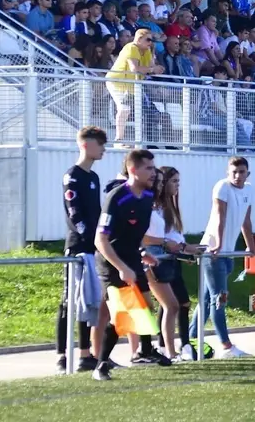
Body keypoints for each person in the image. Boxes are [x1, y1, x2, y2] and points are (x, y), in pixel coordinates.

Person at [93, 149, 171, 382]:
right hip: (111, 262)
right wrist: (120, 267)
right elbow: (101, 239)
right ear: (133, 170)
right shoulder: (117, 197)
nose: (154, 173)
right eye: (148, 168)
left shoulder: (147, 197)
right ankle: (101, 365)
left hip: (132, 259)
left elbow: (134, 233)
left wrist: (142, 253)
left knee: (145, 306)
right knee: (123, 315)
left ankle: (145, 351)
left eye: (154, 168)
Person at [189, 156, 255, 358]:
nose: (237, 176)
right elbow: (220, 216)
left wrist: (250, 246)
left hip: (228, 253)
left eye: (242, 172)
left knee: (207, 300)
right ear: (228, 173)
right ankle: (226, 346)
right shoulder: (222, 187)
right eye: (234, 172)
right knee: (220, 298)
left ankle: (190, 341)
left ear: (248, 173)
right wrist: (217, 244)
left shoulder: (249, 190)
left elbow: (246, 220)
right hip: (214, 252)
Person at [55, 126, 110, 374]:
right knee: (69, 301)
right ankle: (61, 355)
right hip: (77, 248)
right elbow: (74, 213)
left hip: (93, 248)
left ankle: (85, 354)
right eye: (100, 144)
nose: (103, 149)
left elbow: (96, 212)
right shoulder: (72, 176)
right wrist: (89, 237)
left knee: (88, 301)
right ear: (86, 144)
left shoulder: (94, 178)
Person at [146, 166, 210, 361]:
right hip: (159, 259)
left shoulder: (169, 206)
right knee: (173, 304)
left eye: (178, 182)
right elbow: (160, 238)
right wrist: (183, 248)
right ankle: (171, 346)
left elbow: (173, 236)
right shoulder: (155, 206)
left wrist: (184, 251)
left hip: (172, 258)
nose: (177, 186)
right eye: (173, 181)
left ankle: (177, 345)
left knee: (178, 304)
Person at [105, 29, 164, 146]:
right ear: (139, 39)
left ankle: (148, 142)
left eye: (151, 40)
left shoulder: (147, 51)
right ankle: (119, 140)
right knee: (124, 108)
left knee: (148, 110)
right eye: (148, 39)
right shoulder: (131, 47)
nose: (150, 42)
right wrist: (152, 69)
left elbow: (151, 68)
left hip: (132, 85)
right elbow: (135, 68)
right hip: (117, 82)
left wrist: (158, 68)